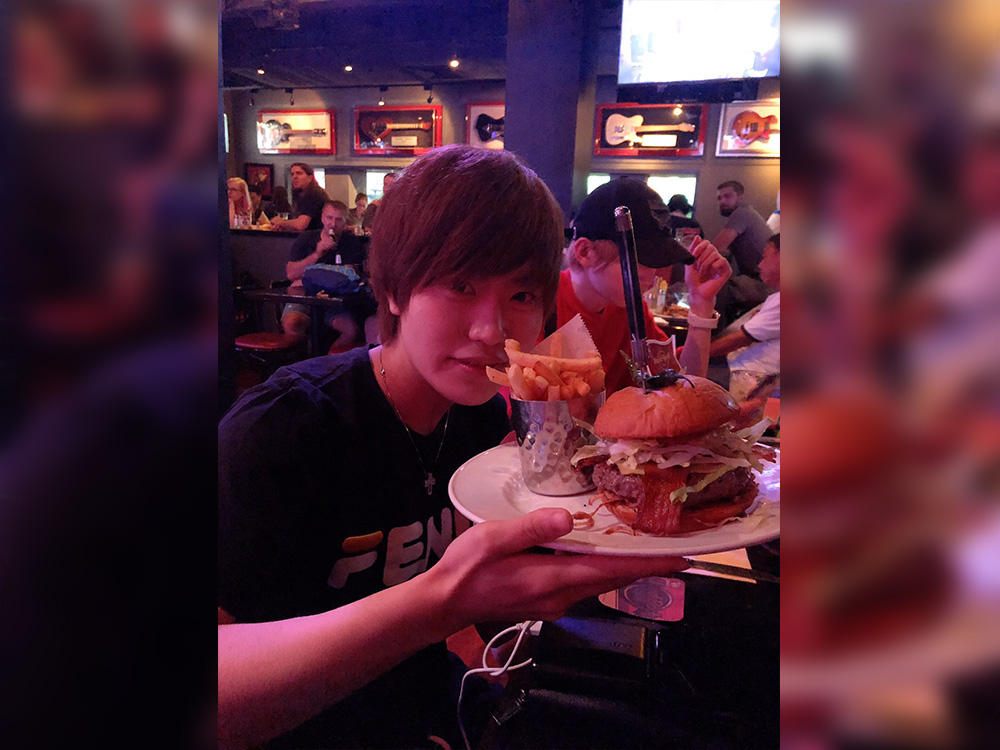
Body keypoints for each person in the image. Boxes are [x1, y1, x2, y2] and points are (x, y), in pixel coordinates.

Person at [218, 145, 689, 750]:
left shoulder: (479, 418)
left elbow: (476, 597)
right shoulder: (282, 429)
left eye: (521, 296)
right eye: (459, 284)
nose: (492, 331)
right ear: (393, 290)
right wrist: (441, 606)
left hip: (427, 712)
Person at [558, 178, 732, 393]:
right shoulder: (542, 305)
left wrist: (701, 304)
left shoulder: (632, 310)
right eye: (638, 262)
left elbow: (682, 387)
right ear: (585, 252)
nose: (651, 278)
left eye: (655, 262)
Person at [280, 199, 368, 349]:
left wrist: (308, 277)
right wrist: (317, 254)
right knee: (292, 324)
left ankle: (326, 362)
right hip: (305, 299)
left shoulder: (350, 241)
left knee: (351, 330)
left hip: (334, 302)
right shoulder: (306, 239)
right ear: (322, 218)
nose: (333, 224)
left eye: (338, 219)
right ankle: (307, 357)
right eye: (329, 218)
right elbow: (291, 274)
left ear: (345, 222)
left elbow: (348, 275)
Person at [709, 233, 780, 407]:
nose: (759, 265)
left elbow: (740, 339)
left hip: (753, 378)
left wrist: (696, 352)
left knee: (687, 378)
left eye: (765, 257)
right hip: (750, 373)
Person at [712, 180, 773, 277]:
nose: (722, 201)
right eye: (719, 198)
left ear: (740, 198)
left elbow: (716, 248)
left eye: (727, 196)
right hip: (760, 275)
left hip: (763, 278)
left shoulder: (741, 213)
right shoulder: (747, 211)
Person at [268, 162, 330, 232]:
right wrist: (285, 227)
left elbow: (301, 225)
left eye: (299, 173)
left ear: (310, 178)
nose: (294, 177)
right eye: (292, 174)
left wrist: (281, 222)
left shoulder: (313, 194)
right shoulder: (302, 194)